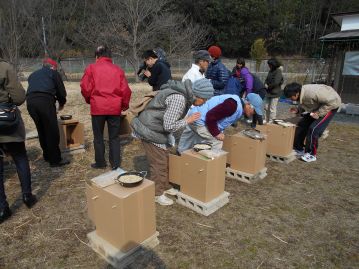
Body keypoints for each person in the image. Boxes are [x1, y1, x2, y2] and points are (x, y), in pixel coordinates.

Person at [131, 78, 214, 206]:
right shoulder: (179, 99)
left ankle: (165, 185)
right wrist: (188, 120)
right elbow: (169, 126)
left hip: (154, 128)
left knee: (164, 159)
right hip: (150, 130)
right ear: (198, 94)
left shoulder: (183, 95)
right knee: (159, 163)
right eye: (205, 99)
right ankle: (157, 194)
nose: (204, 103)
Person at [81, 45, 132, 170]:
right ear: (110, 56)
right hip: (114, 108)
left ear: (97, 56)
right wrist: (124, 105)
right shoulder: (118, 70)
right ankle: (115, 164)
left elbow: (85, 87)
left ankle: (100, 162)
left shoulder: (91, 68)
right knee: (114, 137)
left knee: (98, 137)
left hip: (98, 107)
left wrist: (90, 100)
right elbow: (125, 90)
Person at [0, 53, 37, 224]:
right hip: (8, 122)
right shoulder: (5, 67)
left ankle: (2, 208)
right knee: (20, 158)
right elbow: (20, 98)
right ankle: (27, 196)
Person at [178, 91, 259, 153]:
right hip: (200, 119)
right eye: (254, 111)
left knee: (191, 136)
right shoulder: (232, 105)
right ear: (248, 104)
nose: (254, 114)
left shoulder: (236, 102)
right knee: (216, 141)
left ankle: (181, 154)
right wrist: (216, 133)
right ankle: (211, 165)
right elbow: (210, 116)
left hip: (195, 114)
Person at [26, 58, 69, 167]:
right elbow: (61, 92)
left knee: (41, 129)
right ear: (53, 67)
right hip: (44, 101)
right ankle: (55, 160)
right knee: (51, 131)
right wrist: (62, 103)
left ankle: (47, 156)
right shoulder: (53, 73)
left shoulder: (33, 75)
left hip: (30, 103)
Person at [284, 82, 341, 163]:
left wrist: (318, 113)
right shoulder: (301, 94)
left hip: (331, 105)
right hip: (319, 107)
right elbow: (307, 105)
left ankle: (311, 154)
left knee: (314, 129)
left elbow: (332, 102)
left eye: (290, 97)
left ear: (296, 93)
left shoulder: (312, 93)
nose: (290, 99)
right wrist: (298, 110)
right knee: (302, 124)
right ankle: (298, 148)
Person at [264, 58, 283, 122]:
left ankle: (271, 121)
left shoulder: (278, 71)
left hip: (275, 93)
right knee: (266, 107)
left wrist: (268, 86)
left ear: (273, 64)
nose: (269, 66)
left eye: (269, 65)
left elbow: (276, 82)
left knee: (272, 108)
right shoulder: (270, 71)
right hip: (268, 92)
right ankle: (265, 120)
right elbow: (266, 79)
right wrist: (265, 83)